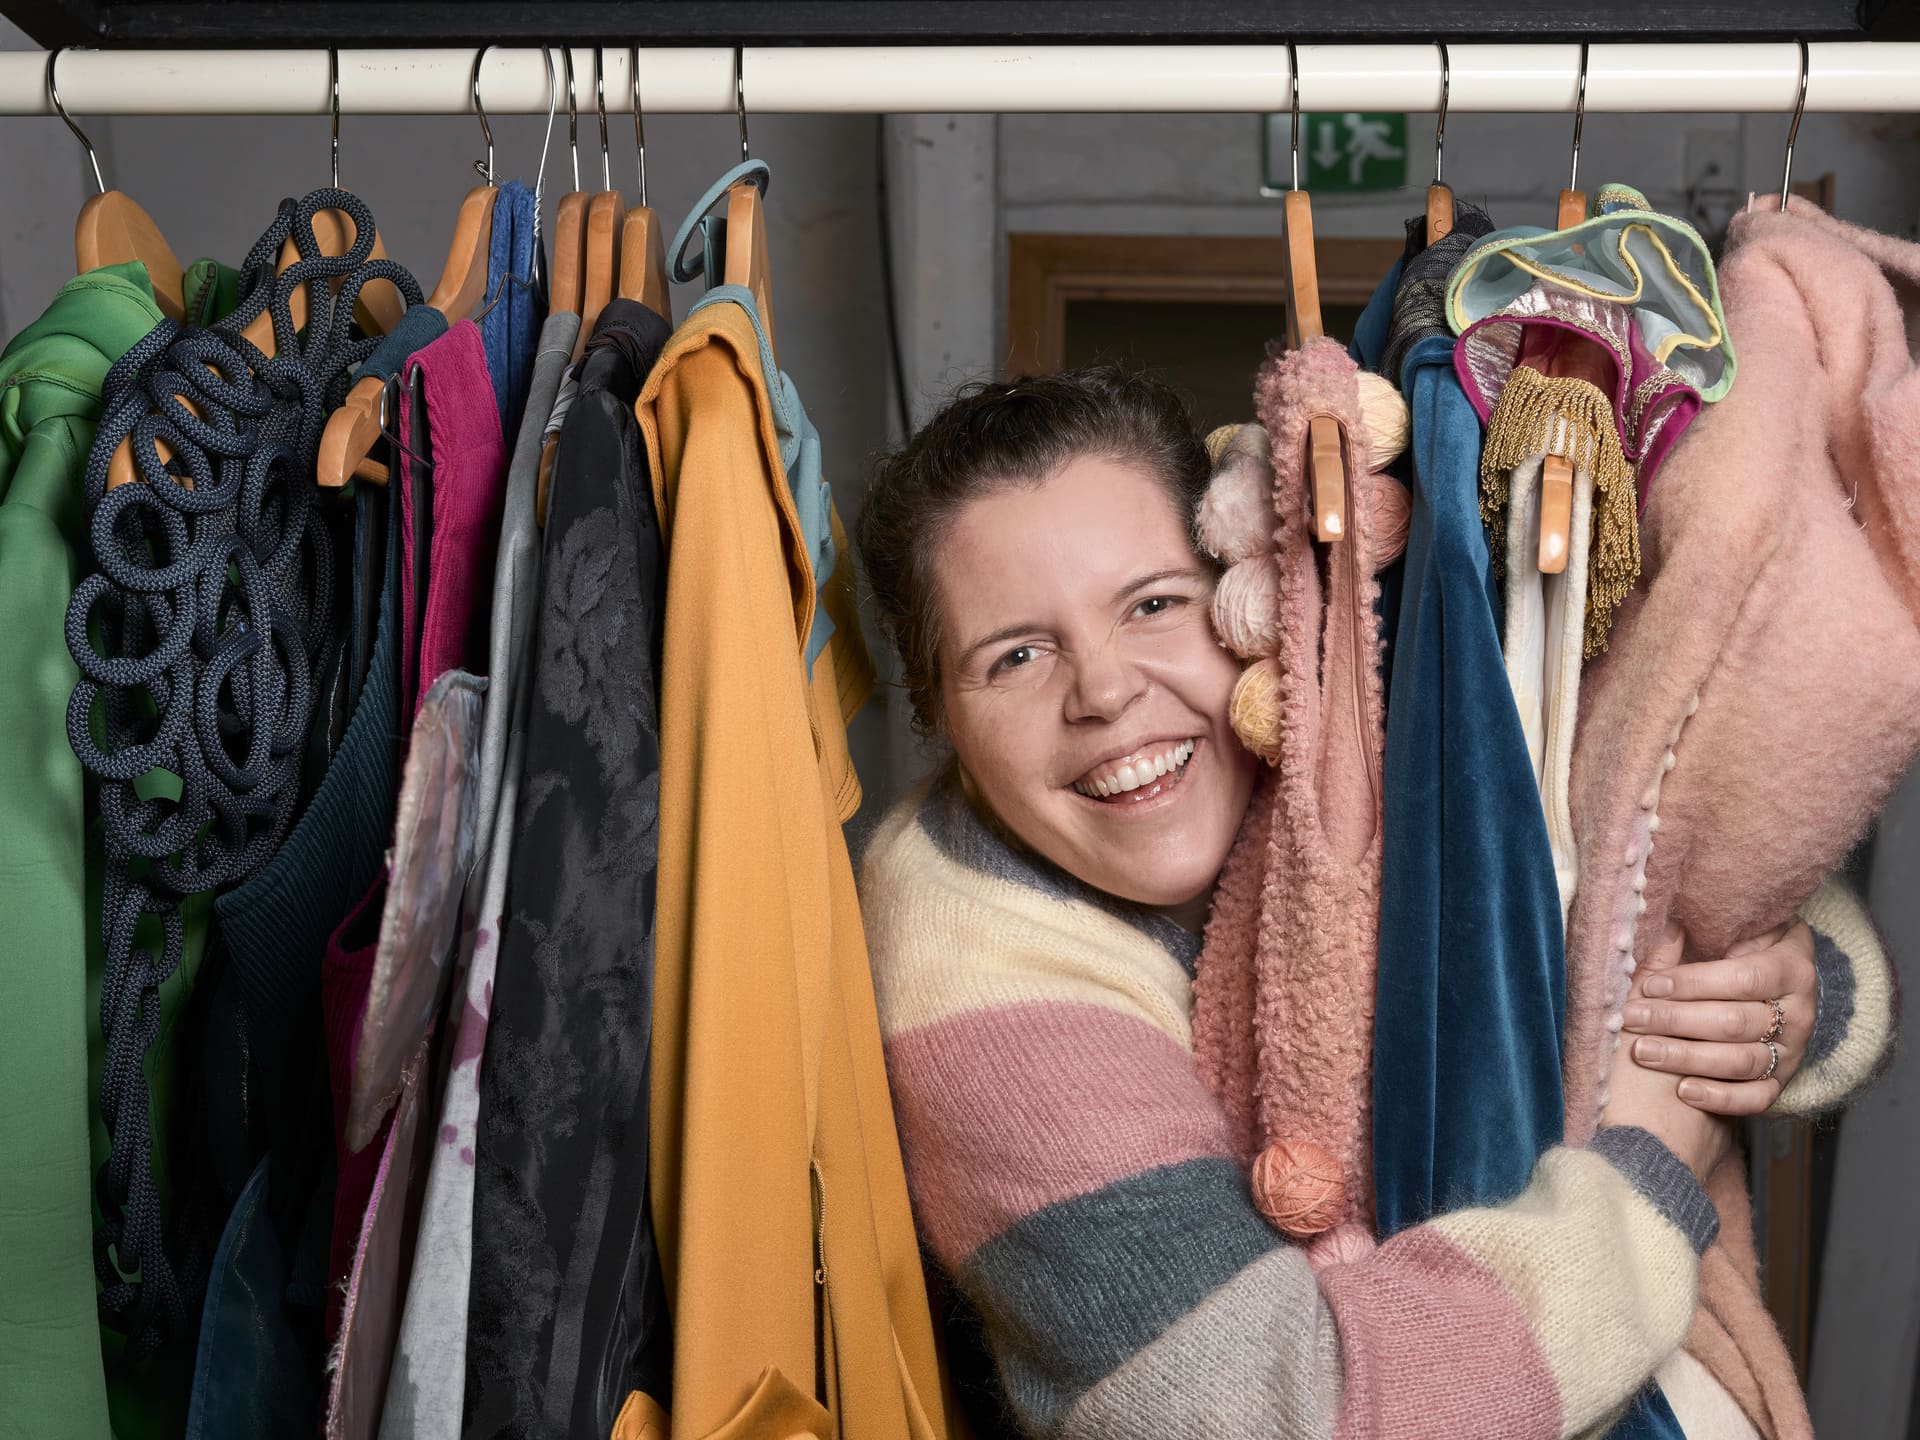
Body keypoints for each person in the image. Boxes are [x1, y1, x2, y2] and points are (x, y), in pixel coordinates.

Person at [853, 367, 1884, 1439]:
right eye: (1015, 655)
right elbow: (1285, 1412)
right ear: (939, 720)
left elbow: (1637, 860)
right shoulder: (962, 959)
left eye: (1155, 604)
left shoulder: (1340, 723)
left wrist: (1797, 993)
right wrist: (1650, 1173)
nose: (1105, 693)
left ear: (1253, 597)